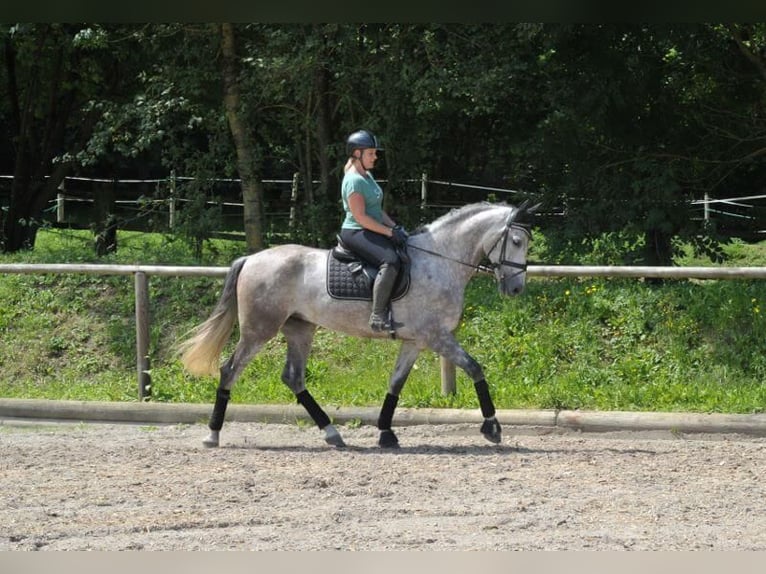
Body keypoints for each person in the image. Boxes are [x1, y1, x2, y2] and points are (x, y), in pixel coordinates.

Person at [339, 129, 408, 331]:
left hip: (370, 226)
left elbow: (377, 211)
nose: (375, 157)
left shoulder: (366, 175)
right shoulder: (353, 181)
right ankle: (377, 316)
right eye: (371, 153)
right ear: (358, 154)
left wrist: (395, 227)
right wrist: (388, 233)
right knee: (391, 260)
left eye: (375, 153)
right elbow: (361, 217)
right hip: (355, 231)